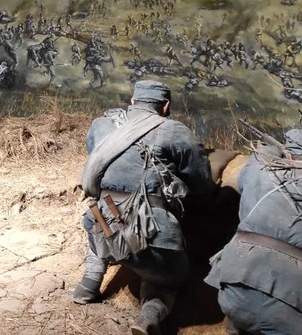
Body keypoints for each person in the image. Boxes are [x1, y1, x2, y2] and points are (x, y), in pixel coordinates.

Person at [73, 79, 215, 335]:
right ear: (165, 106)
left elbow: (95, 157)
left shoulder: (103, 124)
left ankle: (88, 285)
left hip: (102, 223)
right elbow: (202, 184)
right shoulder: (174, 131)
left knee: (102, 221)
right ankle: (150, 314)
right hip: (153, 235)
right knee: (168, 277)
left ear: (133, 101)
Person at [205, 129, 302, 335]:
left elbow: (262, 154)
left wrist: (277, 150)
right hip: (301, 314)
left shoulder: (259, 170)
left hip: (234, 292)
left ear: (288, 153)